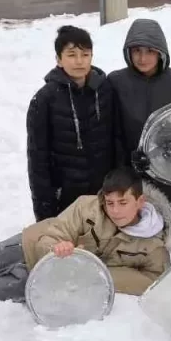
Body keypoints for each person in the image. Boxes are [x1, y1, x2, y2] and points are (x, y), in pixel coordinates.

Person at [0, 167, 171, 305]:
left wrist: (94, 272)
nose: (115, 210)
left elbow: (153, 280)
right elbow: (54, 233)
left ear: (140, 202)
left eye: (123, 202)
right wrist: (57, 248)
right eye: (110, 203)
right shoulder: (87, 206)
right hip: (30, 247)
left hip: (50, 277)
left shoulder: (153, 245)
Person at [109, 18, 171, 219]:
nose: (142, 58)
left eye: (150, 51)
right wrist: (126, 166)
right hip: (129, 187)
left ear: (161, 52)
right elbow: (110, 133)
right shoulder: (116, 82)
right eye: (137, 51)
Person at [27, 25, 118, 222]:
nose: (79, 61)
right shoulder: (44, 100)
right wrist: (45, 214)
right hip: (66, 199)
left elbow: (116, 139)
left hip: (103, 195)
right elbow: (38, 161)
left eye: (85, 54)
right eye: (71, 55)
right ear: (59, 60)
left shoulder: (105, 90)